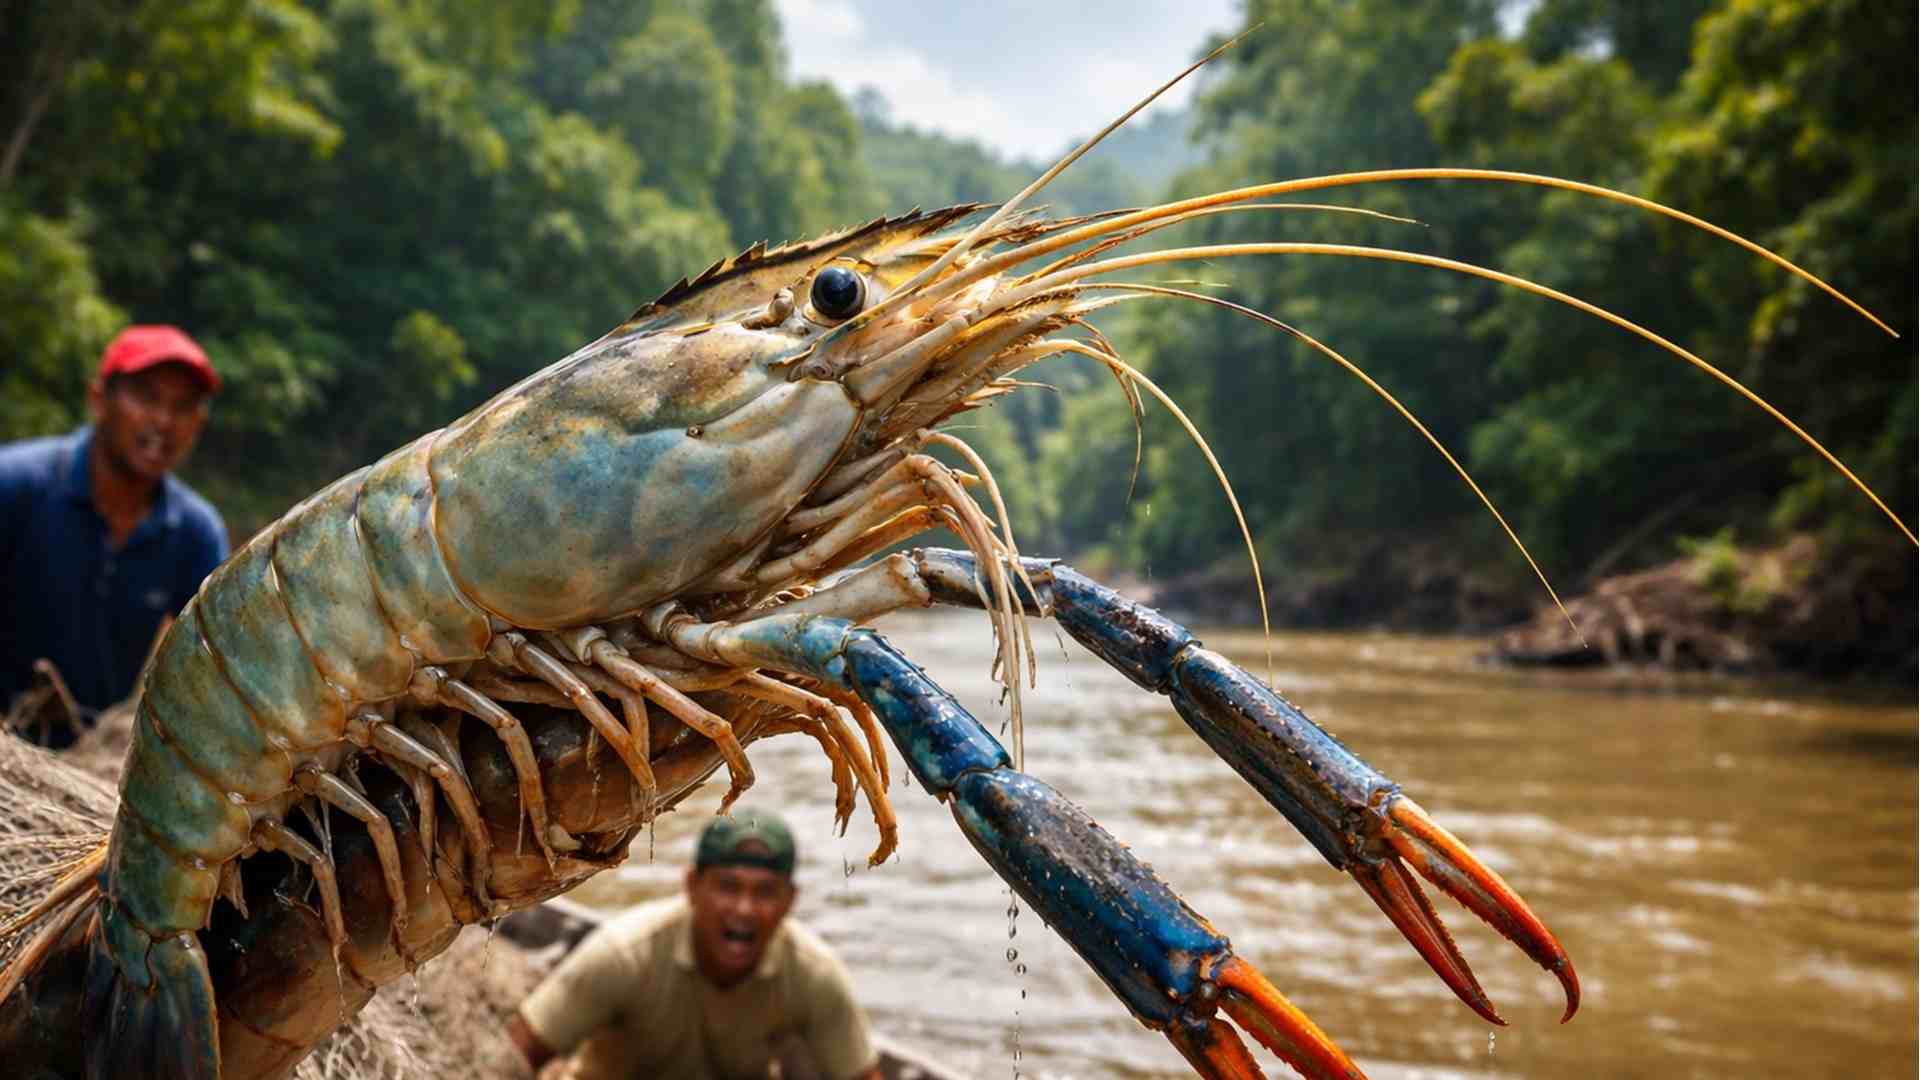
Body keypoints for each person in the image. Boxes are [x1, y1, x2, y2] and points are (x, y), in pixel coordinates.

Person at [510, 811, 883, 1080]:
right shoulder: (625, 954)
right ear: (692, 886)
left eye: (765, 892)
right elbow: (518, 1051)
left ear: (789, 900)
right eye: (728, 886)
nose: (744, 909)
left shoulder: (812, 973)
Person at [0, 325, 226, 746]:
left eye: (183, 407)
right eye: (147, 397)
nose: (163, 421)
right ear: (99, 399)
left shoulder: (196, 533)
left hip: (85, 762)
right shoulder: (15, 486)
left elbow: (220, 668)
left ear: (199, 423)